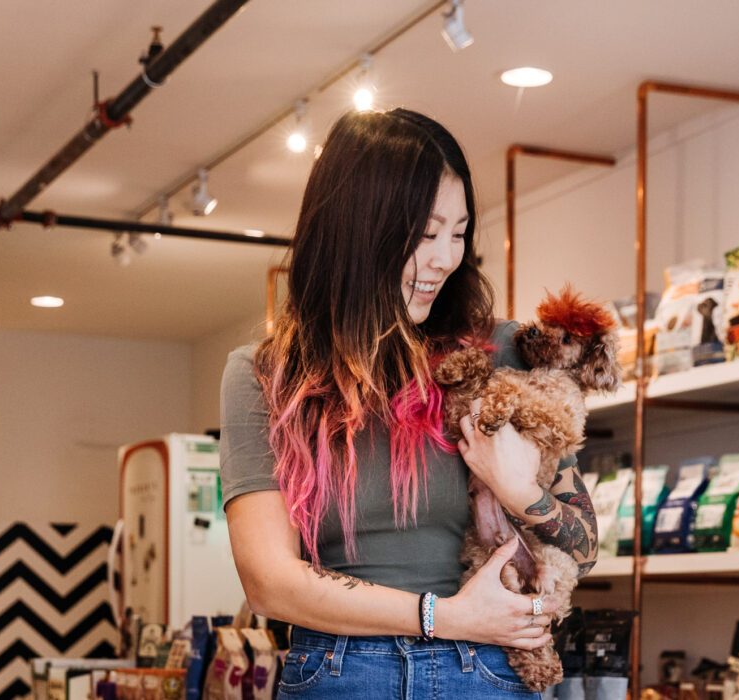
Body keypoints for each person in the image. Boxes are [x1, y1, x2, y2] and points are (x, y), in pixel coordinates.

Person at [219, 108, 598, 699]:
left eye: (459, 232)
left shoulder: (499, 352)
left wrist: (521, 489)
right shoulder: (265, 376)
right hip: (342, 675)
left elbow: (585, 545)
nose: (446, 258)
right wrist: (442, 617)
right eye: (424, 234)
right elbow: (268, 581)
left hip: (489, 673)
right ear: (354, 229)